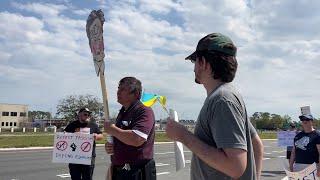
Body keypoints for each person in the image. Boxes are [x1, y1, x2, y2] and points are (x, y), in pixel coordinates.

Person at [165, 33, 257, 179]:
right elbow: (257, 144)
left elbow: (236, 167)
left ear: (204, 63)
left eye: (195, 61)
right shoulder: (226, 95)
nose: (194, 67)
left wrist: (183, 135)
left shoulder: (222, 100)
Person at [104, 77, 156, 180]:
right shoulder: (122, 113)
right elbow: (121, 136)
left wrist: (113, 130)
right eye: (118, 88)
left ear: (136, 93)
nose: (118, 92)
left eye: (123, 89)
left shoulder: (144, 111)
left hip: (137, 171)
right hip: (120, 170)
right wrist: (112, 145)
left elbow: (137, 139)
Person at [64, 107, 103, 180]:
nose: (87, 116)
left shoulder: (93, 125)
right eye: (85, 114)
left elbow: (101, 135)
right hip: (74, 157)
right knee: (75, 177)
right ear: (79, 115)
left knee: (87, 177)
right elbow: (64, 135)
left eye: (89, 115)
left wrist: (97, 136)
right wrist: (67, 135)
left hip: (88, 157)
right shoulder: (72, 125)